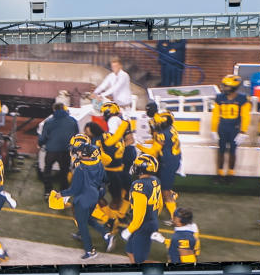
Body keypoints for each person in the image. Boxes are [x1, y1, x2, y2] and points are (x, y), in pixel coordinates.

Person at [61, 137, 112, 260]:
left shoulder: (81, 165)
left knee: (80, 217)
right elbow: (106, 178)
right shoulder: (96, 159)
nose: (75, 151)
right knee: (87, 217)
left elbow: (77, 185)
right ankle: (105, 234)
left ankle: (89, 249)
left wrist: (65, 194)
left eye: (77, 150)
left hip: (86, 194)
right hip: (97, 191)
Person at [97, 101, 136, 229]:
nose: (103, 115)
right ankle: (123, 212)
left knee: (118, 186)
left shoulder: (113, 120)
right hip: (129, 150)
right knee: (126, 184)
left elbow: (112, 141)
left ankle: (119, 215)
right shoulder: (120, 117)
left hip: (123, 154)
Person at [122, 153, 165, 264]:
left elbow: (140, 214)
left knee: (139, 261)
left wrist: (129, 230)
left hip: (142, 225)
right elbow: (160, 203)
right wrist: (153, 218)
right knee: (129, 250)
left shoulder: (139, 185)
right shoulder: (155, 180)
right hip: (149, 222)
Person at [139, 111, 180, 219]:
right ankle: (171, 195)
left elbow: (153, 151)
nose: (156, 124)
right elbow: (159, 141)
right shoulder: (172, 128)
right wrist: (148, 141)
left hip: (168, 162)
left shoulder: (162, 133)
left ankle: (174, 216)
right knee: (162, 183)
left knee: (165, 191)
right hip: (174, 159)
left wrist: (139, 146)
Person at [211, 74, 251, 183]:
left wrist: (243, 131)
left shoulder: (242, 99)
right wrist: (214, 130)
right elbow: (215, 115)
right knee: (221, 150)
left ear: (234, 87)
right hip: (222, 127)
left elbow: (245, 116)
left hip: (234, 128)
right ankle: (219, 173)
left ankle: (231, 174)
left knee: (233, 151)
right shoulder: (219, 97)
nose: (224, 88)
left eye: (226, 86)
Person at [38, 102, 77, 193]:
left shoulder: (49, 122)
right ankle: (64, 192)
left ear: (54, 109)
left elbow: (43, 137)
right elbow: (76, 135)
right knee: (64, 172)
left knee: (47, 171)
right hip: (65, 151)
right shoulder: (73, 121)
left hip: (52, 151)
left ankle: (48, 192)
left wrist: (40, 144)